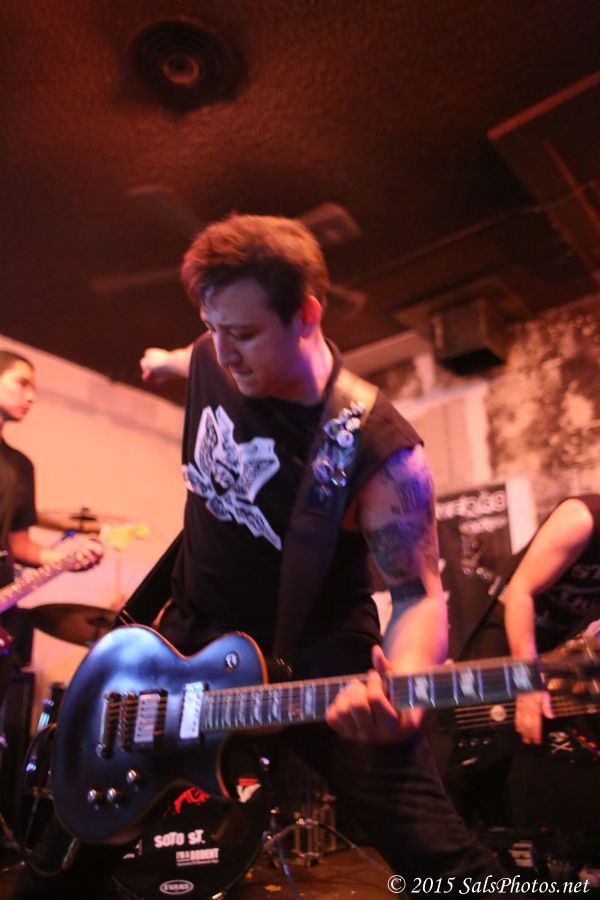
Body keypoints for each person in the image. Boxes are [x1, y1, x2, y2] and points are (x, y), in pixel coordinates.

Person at [17, 216, 510, 897]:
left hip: (321, 661)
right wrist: (165, 359)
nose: (223, 353)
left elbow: (419, 595)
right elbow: (195, 354)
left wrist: (398, 691)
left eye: (244, 334)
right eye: (211, 328)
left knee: (442, 861)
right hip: (186, 638)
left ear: (306, 315)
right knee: (68, 855)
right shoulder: (211, 353)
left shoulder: (381, 450)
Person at [504, 495, 600, 745]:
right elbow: (520, 592)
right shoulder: (582, 519)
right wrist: (527, 677)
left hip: (557, 656)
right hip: (512, 639)